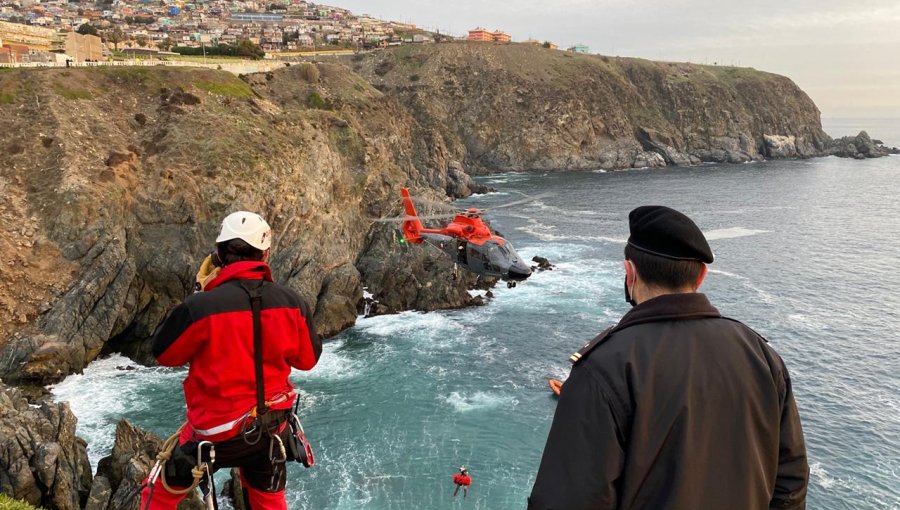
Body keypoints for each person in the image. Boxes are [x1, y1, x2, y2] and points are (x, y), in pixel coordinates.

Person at [529, 206, 808, 510]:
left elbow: (568, 500)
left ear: (630, 273)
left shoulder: (603, 368)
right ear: (701, 276)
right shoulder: (763, 356)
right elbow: (790, 484)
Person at [141, 211, 321, 510]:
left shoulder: (201, 306)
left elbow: (165, 354)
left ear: (220, 254)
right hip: (270, 429)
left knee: (157, 494)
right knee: (269, 499)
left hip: (212, 433)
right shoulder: (293, 303)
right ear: (265, 253)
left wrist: (199, 293)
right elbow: (307, 360)